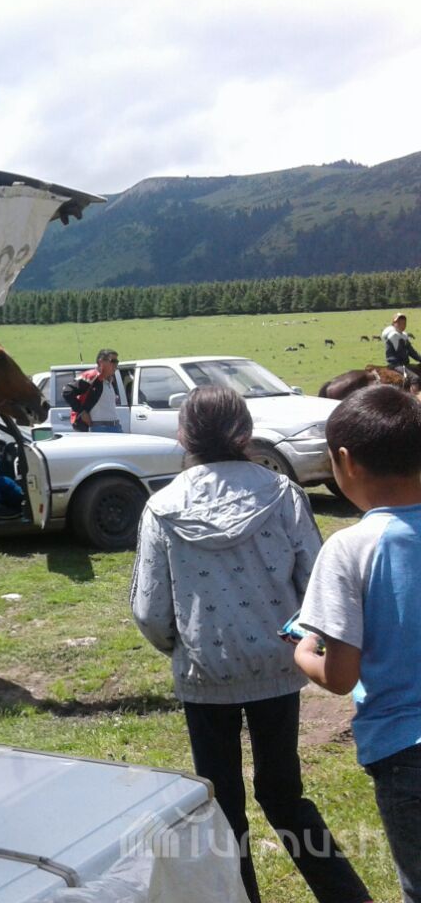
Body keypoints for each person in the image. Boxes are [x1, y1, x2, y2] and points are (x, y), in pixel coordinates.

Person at [130, 386, 371, 903]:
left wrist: (183, 645)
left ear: (183, 435)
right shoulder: (283, 495)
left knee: (221, 806)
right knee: (284, 794)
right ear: (244, 432)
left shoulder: (161, 508)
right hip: (277, 666)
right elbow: (316, 583)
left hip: (204, 673)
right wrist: (295, 638)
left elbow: (149, 610)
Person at [294, 385, 421, 903]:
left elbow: (341, 676)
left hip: (404, 754)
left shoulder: (349, 548)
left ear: (344, 461)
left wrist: (304, 651)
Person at [62, 349, 123, 432]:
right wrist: (82, 412)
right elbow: (67, 391)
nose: (115, 365)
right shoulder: (92, 376)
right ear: (101, 362)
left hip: (115, 426)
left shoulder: (110, 380)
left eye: (117, 362)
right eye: (113, 361)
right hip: (98, 427)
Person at [381, 312, 421, 387]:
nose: (402, 325)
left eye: (404, 323)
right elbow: (401, 352)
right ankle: (415, 394)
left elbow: (412, 352)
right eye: (399, 323)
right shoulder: (393, 335)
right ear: (394, 324)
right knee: (415, 378)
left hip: (404, 364)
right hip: (396, 365)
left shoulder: (403, 335)